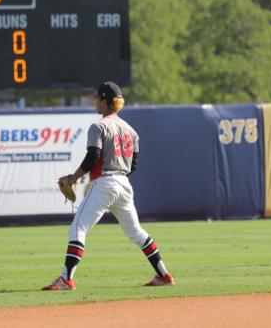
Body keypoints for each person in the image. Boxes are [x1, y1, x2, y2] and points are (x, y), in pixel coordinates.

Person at [42, 81, 174, 290]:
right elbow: (134, 165)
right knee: (136, 232)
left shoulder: (99, 126)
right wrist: (118, 175)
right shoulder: (131, 131)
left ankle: (66, 278)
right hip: (124, 183)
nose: (96, 103)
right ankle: (164, 274)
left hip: (105, 182)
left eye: (98, 99)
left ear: (105, 101)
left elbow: (93, 156)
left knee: (78, 229)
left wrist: (74, 177)